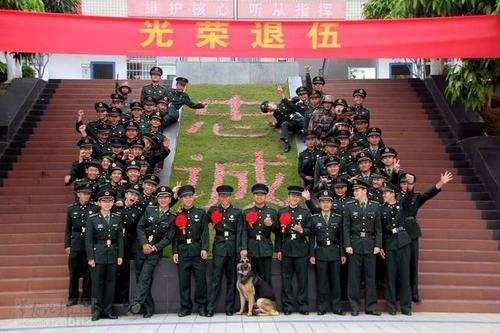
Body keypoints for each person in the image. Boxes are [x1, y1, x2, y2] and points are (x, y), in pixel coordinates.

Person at [400, 170, 453, 303]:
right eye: (404, 182)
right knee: (400, 264)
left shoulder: (416, 197)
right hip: (398, 233)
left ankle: (414, 292)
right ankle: (400, 292)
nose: (406, 184)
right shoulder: (393, 197)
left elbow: (429, 193)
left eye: (409, 181)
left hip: (411, 232)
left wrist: (441, 182)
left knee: (413, 264)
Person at [129, 186, 176, 318]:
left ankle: (135, 303)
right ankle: (147, 308)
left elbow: (168, 238)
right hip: (140, 248)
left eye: (166, 197)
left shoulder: (172, 217)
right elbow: (140, 227)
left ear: (170, 199)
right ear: (157, 199)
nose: (163, 200)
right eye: (160, 197)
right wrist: (144, 243)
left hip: (154, 251)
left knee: (145, 276)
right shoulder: (149, 210)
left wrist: (154, 247)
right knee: (141, 278)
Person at [343, 178, 382, 316]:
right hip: (355, 244)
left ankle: (371, 307)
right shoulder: (349, 206)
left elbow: (378, 229)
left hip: (370, 245)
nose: (354, 192)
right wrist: (347, 245)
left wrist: (378, 245)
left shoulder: (375, 206)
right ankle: (354, 307)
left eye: (357, 190)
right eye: (353, 190)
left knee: (371, 277)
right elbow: (346, 228)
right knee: (353, 278)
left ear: (364, 191)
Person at [85, 189, 123, 321]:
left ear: (113, 203)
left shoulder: (117, 218)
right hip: (98, 254)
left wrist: (120, 255)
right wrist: (90, 258)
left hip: (112, 254)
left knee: (110, 284)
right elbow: (88, 240)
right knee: (97, 284)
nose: (107, 204)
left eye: (110, 201)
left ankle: (107, 310)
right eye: (104, 201)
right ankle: (96, 311)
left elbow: (119, 239)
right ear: (99, 203)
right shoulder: (92, 219)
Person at [206, 185, 244, 317]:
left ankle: (229, 307)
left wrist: (239, 250)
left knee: (231, 279)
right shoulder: (213, 210)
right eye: (222, 196)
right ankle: (210, 307)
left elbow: (240, 232)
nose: (224, 198)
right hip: (219, 248)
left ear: (230, 197)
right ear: (218, 197)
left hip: (232, 249)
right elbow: (202, 224)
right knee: (215, 279)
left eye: (227, 196)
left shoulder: (237, 212)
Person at [172, 185, 209, 317]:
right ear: (181, 199)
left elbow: (205, 232)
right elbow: (175, 235)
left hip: (197, 251)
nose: (187, 199)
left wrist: (205, 248)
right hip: (183, 252)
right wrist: (175, 251)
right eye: (184, 197)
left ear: (193, 197)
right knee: (184, 282)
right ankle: (185, 308)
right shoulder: (177, 214)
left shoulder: (201, 213)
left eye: (189, 196)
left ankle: (202, 306)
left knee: (201, 281)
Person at [275, 186, 311, 315]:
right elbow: (279, 233)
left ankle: (303, 306)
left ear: (300, 198)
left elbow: (310, 230)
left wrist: (301, 230)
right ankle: (287, 306)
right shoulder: (282, 211)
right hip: (286, 248)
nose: (294, 198)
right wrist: (278, 249)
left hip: (301, 248)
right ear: (288, 197)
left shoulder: (305, 213)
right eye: (292, 196)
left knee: (302, 280)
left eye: (297, 196)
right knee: (286, 279)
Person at [309, 190, 346, 315]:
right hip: (320, 252)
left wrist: (342, 254)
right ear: (319, 204)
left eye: (328, 202)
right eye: (323, 202)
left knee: (336, 282)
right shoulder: (314, 218)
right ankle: (322, 307)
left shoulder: (338, 217)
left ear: (331, 204)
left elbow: (341, 238)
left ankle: (337, 307)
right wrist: (312, 254)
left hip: (335, 252)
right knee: (322, 282)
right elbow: (311, 239)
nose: (325, 204)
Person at [379, 182, 412, 316]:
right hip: (389, 242)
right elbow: (379, 229)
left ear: (393, 194)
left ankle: (406, 306)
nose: (383, 195)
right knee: (390, 276)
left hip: (403, 241)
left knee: (404, 275)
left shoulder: (401, 205)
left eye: (386, 192)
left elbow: (409, 198)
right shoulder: (381, 209)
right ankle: (391, 306)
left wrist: (410, 186)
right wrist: (380, 245)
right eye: (383, 193)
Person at [64, 182, 98, 307]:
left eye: (89, 194)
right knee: (73, 272)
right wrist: (67, 245)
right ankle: (72, 297)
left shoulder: (94, 208)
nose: (87, 196)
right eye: (84, 194)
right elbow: (68, 228)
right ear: (78, 194)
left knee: (88, 273)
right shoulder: (71, 209)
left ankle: (86, 297)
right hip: (76, 243)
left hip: (89, 244)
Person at [240, 183, 278, 286]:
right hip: (252, 248)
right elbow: (244, 231)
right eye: (257, 194)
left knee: (266, 278)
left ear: (265, 196)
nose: (259, 197)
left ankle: (267, 301)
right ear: (253, 196)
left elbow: (278, 231)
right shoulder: (247, 212)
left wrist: (271, 225)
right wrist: (244, 248)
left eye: (262, 195)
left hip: (265, 248)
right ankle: (253, 301)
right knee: (251, 278)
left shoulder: (272, 212)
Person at [113, 183, 144, 305]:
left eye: (136, 195)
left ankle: (126, 298)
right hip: (118, 243)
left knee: (128, 271)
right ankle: (116, 298)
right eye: (131, 193)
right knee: (118, 270)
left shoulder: (139, 209)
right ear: (125, 194)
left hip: (132, 243)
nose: (133, 196)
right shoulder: (116, 207)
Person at [260, 85, 305, 153]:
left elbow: (296, 99)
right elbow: (279, 123)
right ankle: (287, 143)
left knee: (302, 122)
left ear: (271, 103)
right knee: (284, 124)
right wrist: (274, 125)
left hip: (297, 118)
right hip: (292, 124)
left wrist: (290, 99)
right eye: (267, 109)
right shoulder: (276, 114)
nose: (269, 108)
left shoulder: (283, 102)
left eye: (268, 106)